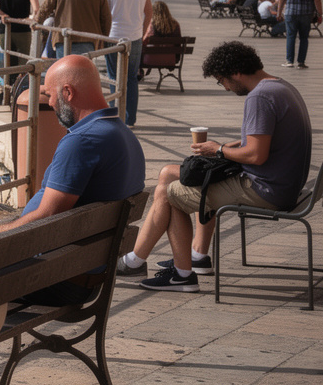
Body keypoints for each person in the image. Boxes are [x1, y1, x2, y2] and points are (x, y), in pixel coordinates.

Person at [116, 41, 312, 290]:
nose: (227, 88)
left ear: (236, 73)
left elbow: (256, 156)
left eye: (223, 81)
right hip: (283, 184)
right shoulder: (280, 86)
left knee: (170, 192)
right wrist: (226, 147)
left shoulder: (259, 97)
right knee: (172, 174)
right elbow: (262, 140)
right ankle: (196, 256)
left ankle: (175, 273)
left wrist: (219, 150)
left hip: (266, 188)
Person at [0, 55, 145, 305]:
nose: (50, 102)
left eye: (50, 94)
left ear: (68, 92)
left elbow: (46, 217)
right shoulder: (122, 133)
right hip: (85, 272)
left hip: (58, 280)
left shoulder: (82, 141)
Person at [101, 0, 152, 126]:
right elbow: (149, 12)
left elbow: (104, 15)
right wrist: (142, 33)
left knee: (114, 77)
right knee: (131, 78)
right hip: (134, 37)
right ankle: (130, 118)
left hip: (113, 37)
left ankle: (116, 116)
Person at [36, 0, 111, 57]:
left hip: (63, 38)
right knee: (84, 70)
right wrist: (103, 39)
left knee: (65, 69)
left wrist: (36, 23)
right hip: (88, 39)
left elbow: (46, 8)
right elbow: (106, 17)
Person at [278, 0, 321, 68]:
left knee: (291, 36)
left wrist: (279, 13)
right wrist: (320, 13)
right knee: (304, 38)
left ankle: (289, 61)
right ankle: (301, 62)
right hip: (306, 14)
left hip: (291, 13)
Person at [141, 0, 184, 74]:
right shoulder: (175, 25)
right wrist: (176, 59)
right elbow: (178, 44)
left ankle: (139, 72)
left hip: (151, 59)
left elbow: (144, 42)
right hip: (170, 60)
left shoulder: (152, 25)